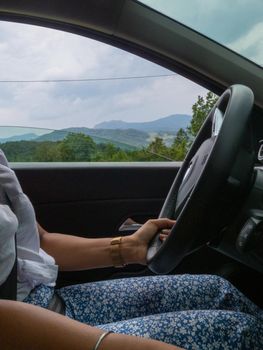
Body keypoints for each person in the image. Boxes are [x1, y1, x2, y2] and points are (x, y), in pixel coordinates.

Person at [0, 149, 263, 350]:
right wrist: (105, 344)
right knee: (238, 333)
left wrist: (128, 248)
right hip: (23, 337)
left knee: (218, 291)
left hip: (45, 304)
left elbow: (40, 242)